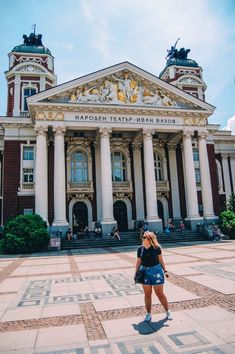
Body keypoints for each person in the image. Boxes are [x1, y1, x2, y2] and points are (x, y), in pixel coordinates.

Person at [134, 231, 173, 322]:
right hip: (144, 272)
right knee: (147, 294)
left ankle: (168, 311)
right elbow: (138, 262)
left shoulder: (157, 248)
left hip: (156, 271)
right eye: (143, 237)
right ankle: (148, 313)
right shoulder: (140, 249)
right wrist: (135, 273)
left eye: (145, 237)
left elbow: (161, 260)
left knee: (160, 294)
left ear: (150, 239)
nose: (143, 238)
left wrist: (165, 271)